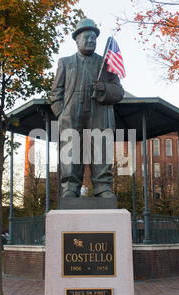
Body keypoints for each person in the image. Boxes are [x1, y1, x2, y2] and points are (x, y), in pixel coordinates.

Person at [50, 18, 124, 199]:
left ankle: (102, 186)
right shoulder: (65, 63)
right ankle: (70, 187)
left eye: (94, 38)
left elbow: (119, 92)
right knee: (70, 150)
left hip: (99, 112)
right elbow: (55, 93)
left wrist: (104, 89)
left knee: (100, 148)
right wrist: (62, 114)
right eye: (87, 37)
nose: (91, 41)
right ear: (77, 40)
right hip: (71, 114)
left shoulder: (106, 64)